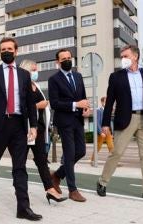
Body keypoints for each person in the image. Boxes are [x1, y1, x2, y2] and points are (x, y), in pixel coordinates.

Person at [0, 37, 42, 221]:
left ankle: (23, 207)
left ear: (16, 51)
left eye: (9, 49)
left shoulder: (24, 75)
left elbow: (30, 104)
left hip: (19, 126)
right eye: (3, 49)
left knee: (20, 167)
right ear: (0, 52)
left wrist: (34, 126)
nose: (6, 51)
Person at [97, 45, 143, 200]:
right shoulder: (116, 77)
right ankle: (102, 182)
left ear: (135, 56)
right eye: (122, 56)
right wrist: (105, 123)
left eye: (126, 56)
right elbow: (109, 102)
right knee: (117, 153)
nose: (123, 59)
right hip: (126, 119)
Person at [20, 59, 67, 204]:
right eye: (33, 69)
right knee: (20, 163)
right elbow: (19, 108)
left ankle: (50, 190)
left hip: (39, 129)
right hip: (24, 129)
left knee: (41, 161)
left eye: (36, 69)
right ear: (26, 71)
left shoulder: (36, 86)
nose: (36, 72)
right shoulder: (21, 86)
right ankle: (21, 194)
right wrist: (36, 106)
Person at [48, 48, 90, 202]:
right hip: (64, 122)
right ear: (58, 62)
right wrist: (75, 104)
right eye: (63, 58)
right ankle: (73, 190)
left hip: (78, 120)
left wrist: (86, 108)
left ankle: (57, 175)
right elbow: (54, 103)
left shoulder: (78, 76)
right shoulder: (54, 79)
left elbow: (83, 97)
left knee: (81, 151)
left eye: (69, 57)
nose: (67, 60)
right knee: (70, 154)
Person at [90, 96, 114, 166]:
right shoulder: (98, 111)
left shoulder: (108, 111)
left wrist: (111, 132)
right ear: (102, 102)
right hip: (101, 131)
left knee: (111, 146)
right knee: (98, 147)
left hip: (108, 131)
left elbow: (109, 122)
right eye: (106, 101)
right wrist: (100, 132)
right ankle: (92, 160)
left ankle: (113, 162)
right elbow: (96, 122)